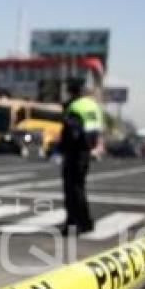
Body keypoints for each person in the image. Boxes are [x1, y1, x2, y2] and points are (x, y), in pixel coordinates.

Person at [59, 80, 103, 235]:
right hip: (86, 151)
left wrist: (62, 148)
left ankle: (73, 224)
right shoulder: (93, 106)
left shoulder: (74, 107)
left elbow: (73, 133)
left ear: (72, 92)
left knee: (72, 190)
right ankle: (86, 222)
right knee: (80, 188)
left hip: (74, 153)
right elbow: (96, 130)